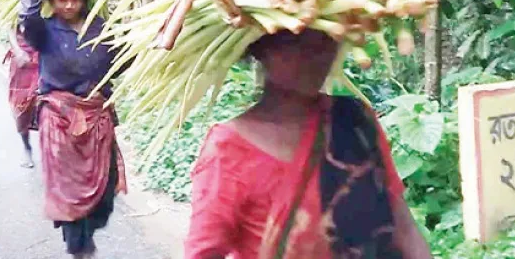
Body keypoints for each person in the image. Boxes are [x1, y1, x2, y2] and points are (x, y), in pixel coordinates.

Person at [185, 29, 433, 259]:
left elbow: (403, 225)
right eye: (296, 40)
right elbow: (204, 252)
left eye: (326, 38)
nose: (317, 54)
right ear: (260, 48)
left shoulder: (354, 120)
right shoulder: (228, 149)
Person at [18, 0, 126, 259]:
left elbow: (123, 59)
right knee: (69, 194)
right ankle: (79, 248)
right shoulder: (44, 31)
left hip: (96, 120)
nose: (68, 5)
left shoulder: (102, 30)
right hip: (59, 123)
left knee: (105, 194)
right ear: (52, 0)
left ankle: (86, 237)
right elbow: (27, 14)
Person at [6, 26, 40, 168]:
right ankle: (27, 147)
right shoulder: (20, 6)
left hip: (43, 59)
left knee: (46, 103)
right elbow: (11, 28)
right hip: (22, 62)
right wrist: (18, 51)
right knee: (21, 108)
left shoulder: (52, 6)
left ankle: (51, 151)